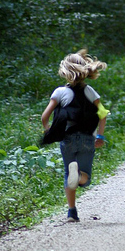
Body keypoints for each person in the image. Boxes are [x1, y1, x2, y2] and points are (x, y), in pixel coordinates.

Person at [40, 49, 109, 222]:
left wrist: (48, 129)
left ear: (66, 72)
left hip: (67, 138)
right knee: (84, 178)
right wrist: (100, 137)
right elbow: (102, 114)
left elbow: (45, 116)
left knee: (67, 174)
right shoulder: (90, 92)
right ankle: (78, 176)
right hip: (87, 139)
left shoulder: (59, 92)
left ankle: (72, 212)